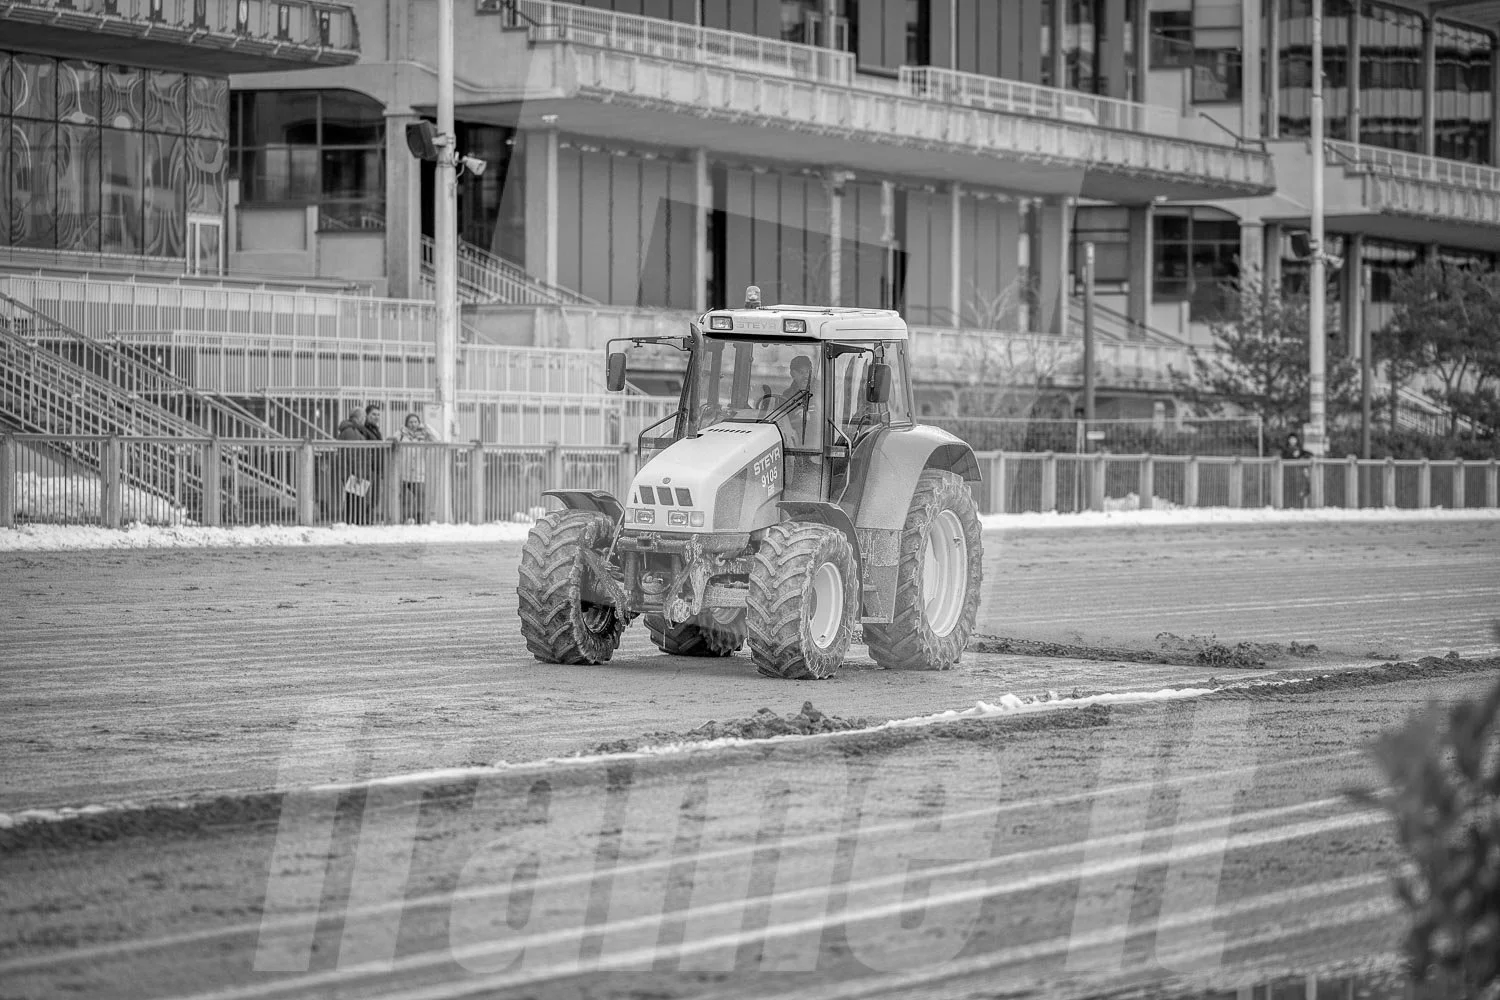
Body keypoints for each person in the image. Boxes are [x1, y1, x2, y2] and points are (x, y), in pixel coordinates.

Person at [336, 405, 374, 524]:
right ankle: (353, 523)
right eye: (364, 417)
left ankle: (353, 523)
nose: (365, 420)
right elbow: (354, 456)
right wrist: (359, 474)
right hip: (355, 473)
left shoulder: (352, 430)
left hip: (354, 472)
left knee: (354, 500)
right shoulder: (351, 431)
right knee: (355, 501)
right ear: (359, 418)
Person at [397, 412, 435, 524]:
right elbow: (392, 440)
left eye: (415, 422)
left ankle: (419, 519)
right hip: (404, 471)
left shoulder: (423, 435)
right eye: (410, 422)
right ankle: (404, 518)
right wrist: (400, 432)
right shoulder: (402, 434)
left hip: (419, 472)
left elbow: (437, 438)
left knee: (420, 497)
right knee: (404, 498)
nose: (413, 424)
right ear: (406, 424)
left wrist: (427, 427)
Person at [1280, 431, 1312, 508]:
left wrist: (1302, 458)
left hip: (1298, 474)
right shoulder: (1285, 449)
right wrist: (1293, 455)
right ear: (1288, 440)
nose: (1292, 441)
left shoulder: (1299, 449)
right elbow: (1284, 456)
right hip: (1288, 474)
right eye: (1291, 439)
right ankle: (1287, 505)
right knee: (1288, 490)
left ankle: (1299, 505)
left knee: (1300, 488)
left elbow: (1309, 454)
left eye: (1294, 439)